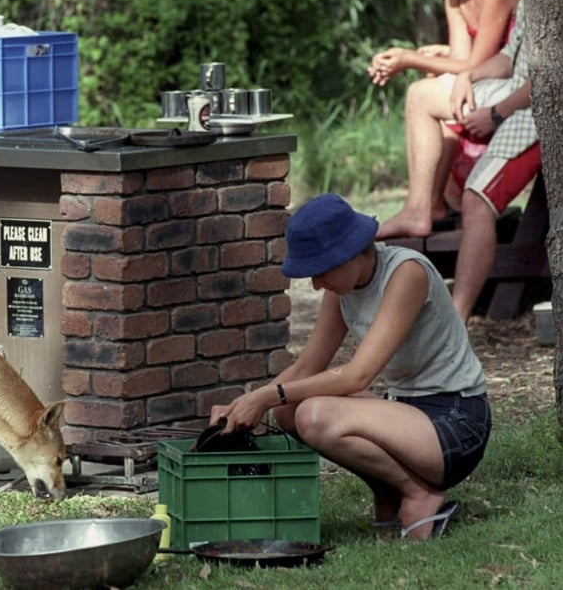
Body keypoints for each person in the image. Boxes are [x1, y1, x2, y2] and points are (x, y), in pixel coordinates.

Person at [210, 194, 490, 541]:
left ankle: (420, 494)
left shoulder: (407, 273)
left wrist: (269, 396)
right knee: (288, 411)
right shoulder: (342, 288)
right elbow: (309, 365)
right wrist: (247, 402)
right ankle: (389, 489)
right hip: (403, 413)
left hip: (456, 421)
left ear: (352, 251)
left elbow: (358, 375)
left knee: (313, 414)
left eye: (320, 270)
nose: (315, 284)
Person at [377, 0, 542, 322]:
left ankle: (457, 316)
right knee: (422, 94)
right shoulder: (531, 2)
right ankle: (419, 208)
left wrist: (497, 112)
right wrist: (468, 76)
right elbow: (508, 58)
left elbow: (557, 75)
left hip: (537, 108)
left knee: (476, 199)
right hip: (513, 90)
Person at [368, 0, 520, 87]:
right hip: (483, 75)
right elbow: (461, 59)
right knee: (431, 81)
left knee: (421, 94)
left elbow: (476, 66)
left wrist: (410, 60)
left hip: (517, 81)